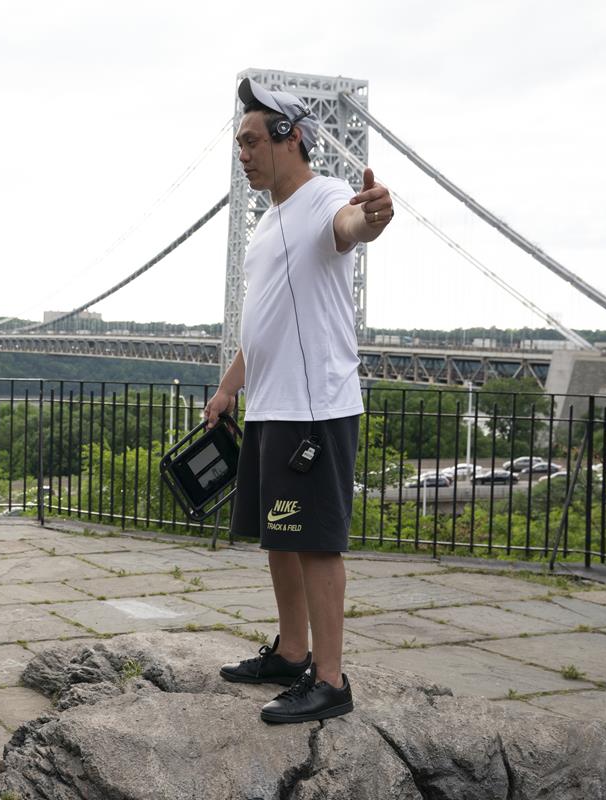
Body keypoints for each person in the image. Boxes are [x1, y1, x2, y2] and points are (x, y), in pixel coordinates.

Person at [206, 78, 394, 724]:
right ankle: (292, 652)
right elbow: (265, 320)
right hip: (272, 405)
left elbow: (351, 226)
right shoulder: (267, 223)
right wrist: (232, 383)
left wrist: (370, 215)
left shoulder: (325, 200)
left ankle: (331, 681)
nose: (242, 152)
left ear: (290, 138)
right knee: (279, 536)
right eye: (238, 142)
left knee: (315, 542)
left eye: (252, 139)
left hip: (317, 407)